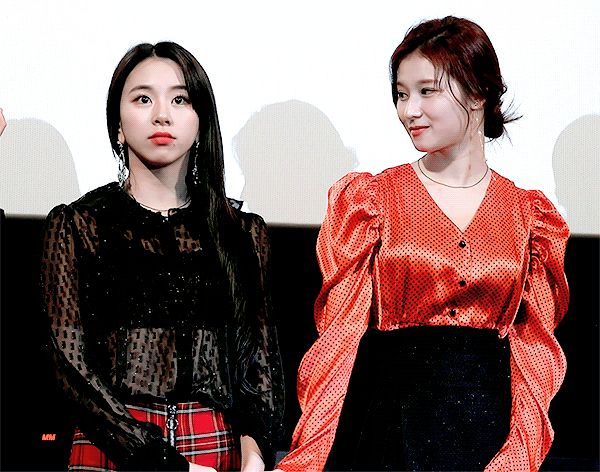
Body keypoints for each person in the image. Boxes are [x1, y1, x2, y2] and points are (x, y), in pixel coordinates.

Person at [275, 16, 569, 472]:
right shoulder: (373, 200)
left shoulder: (529, 215)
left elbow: (535, 354)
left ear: (478, 91)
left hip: (488, 434)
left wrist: (519, 458)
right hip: (390, 429)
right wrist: (306, 459)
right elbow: (336, 343)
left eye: (426, 91)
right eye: (400, 94)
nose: (408, 110)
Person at [41, 42, 284, 472]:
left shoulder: (242, 234)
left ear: (201, 121)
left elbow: (259, 363)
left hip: (216, 445)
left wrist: (254, 455)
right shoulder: (78, 226)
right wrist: (163, 462)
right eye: (142, 99)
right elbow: (69, 367)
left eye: (180, 99)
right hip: (114, 445)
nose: (162, 115)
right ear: (118, 126)